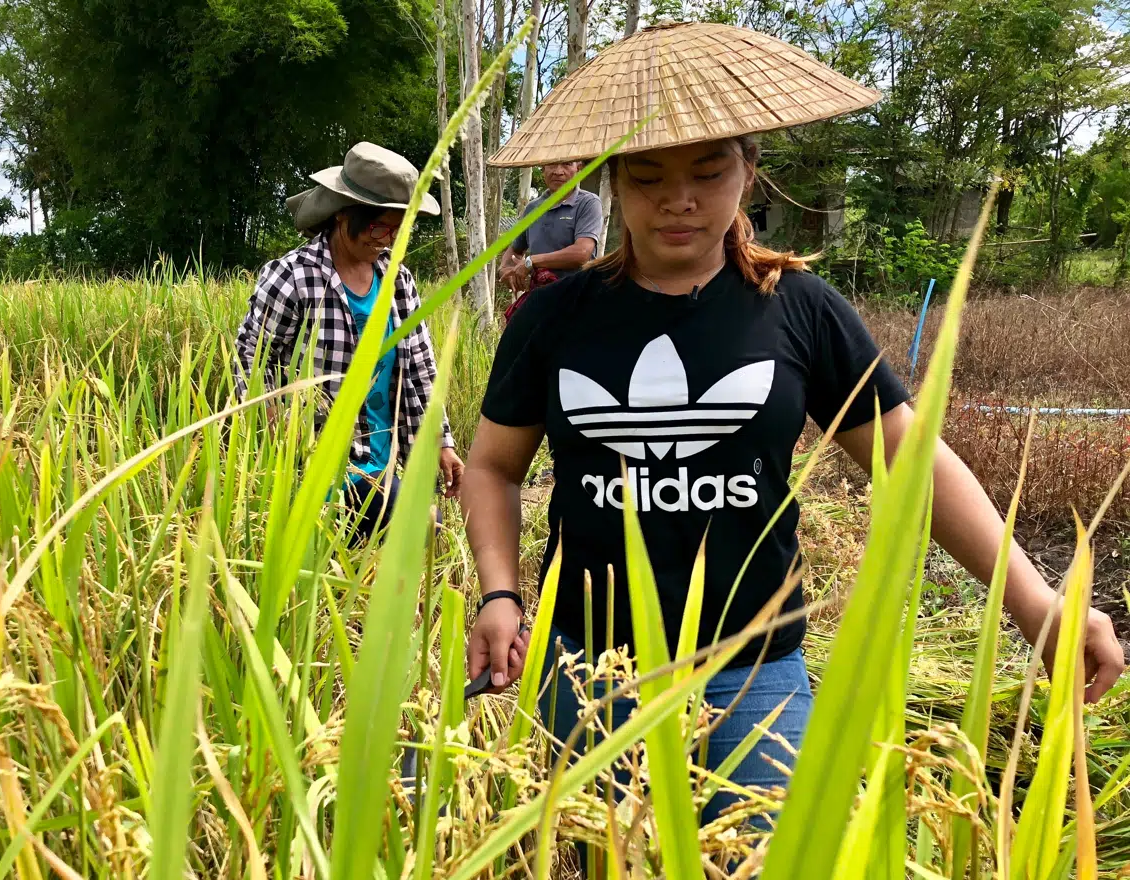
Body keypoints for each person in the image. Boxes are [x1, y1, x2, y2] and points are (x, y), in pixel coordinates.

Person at [464, 22, 1124, 825]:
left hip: (752, 668)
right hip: (587, 665)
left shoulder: (798, 309)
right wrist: (500, 591)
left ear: (750, 170)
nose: (679, 198)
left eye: (709, 171)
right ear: (614, 183)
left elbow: (913, 462)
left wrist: (1036, 602)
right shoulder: (555, 317)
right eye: (648, 176)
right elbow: (493, 466)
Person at [236, 142, 464, 540]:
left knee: (407, 542)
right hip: (323, 464)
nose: (387, 241)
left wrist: (442, 442)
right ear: (343, 213)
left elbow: (421, 369)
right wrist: (280, 436)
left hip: (385, 458)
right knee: (419, 525)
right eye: (379, 228)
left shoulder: (397, 281)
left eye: (398, 230)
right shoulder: (296, 278)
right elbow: (251, 362)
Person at [498, 160, 604, 322]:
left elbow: (581, 253)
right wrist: (505, 270)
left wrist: (531, 261)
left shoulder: (588, 203)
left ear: (579, 168)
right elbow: (515, 249)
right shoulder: (533, 208)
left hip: (577, 301)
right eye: (552, 165)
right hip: (541, 301)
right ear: (543, 168)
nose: (558, 171)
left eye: (567, 164)